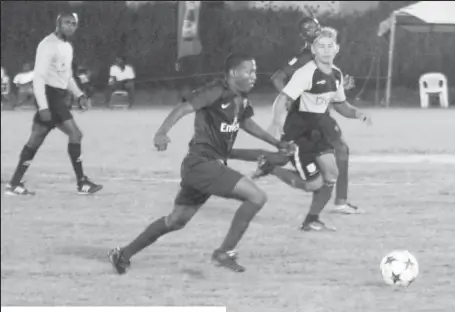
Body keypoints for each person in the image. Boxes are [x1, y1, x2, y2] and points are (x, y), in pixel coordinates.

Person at [108, 53, 293, 274]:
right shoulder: (215, 90)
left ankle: (123, 254)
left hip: (204, 166)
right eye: (249, 71)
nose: (254, 76)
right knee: (257, 197)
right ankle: (224, 253)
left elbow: (245, 123)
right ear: (233, 73)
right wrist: (162, 132)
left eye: (254, 71)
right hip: (202, 164)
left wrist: (275, 142)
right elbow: (183, 108)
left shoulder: (241, 98)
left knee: (177, 220)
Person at [266, 27, 371, 231]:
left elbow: (341, 104)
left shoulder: (337, 74)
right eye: (320, 46)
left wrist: (358, 113)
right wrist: (276, 122)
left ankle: (311, 220)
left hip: (319, 131)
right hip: (299, 134)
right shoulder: (306, 73)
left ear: (336, 49)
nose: (325, 50)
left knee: (331, 174)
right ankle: (270, 167)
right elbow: (283, 98)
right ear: (314, 50)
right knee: (313, 185)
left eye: (329, 46)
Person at [4, 12, 102, 196]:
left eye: (73, 24)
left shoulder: (67, 46)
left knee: (36, 138)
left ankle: (14, 183)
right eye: (66, 23)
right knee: (75, 134)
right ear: (58, 24)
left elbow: (67, 76)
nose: (70, 26)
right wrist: (43, 106)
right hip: (49, 97)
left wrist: (79, 94)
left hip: (58, 96)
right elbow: (39, 78)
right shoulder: (47, 45)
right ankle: (82, 183)